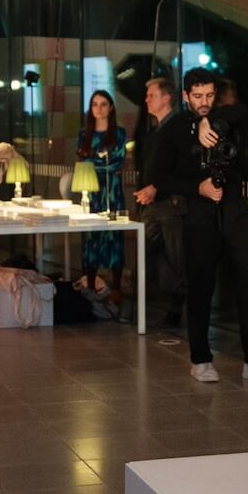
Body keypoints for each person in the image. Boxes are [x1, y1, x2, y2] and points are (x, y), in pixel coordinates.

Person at [151, 69, 248, 385]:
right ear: (185, 96)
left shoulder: (227, 117)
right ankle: (201, 360)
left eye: (210, 95)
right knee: (200, 287)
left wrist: (211, 122)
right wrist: (197, 188)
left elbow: (242, 109)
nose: (204, 102)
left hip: (235, 211)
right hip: (199, 214)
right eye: (197, 96)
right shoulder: (173, 131)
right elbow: (160, 177)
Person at [132, 77, 185, 329]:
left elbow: (177, 168)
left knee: (176, 256)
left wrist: (156, 188)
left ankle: (179, 307)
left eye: (151, 95)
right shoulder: (156, 128)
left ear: (166, 98)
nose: (146, 100)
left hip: (169, 203)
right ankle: (159, 303)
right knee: (148, 252)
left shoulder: (177, 127)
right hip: (153, 202)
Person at [75, 89, 128, 307]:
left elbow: (119, 162)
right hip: (91, 191)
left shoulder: (120, 134)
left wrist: (94, 162)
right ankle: (89, 286)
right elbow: (82, 163)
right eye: (95, 104)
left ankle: (116, 286)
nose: (99, 108)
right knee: (90, 236)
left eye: (103, 104)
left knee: (114, 237)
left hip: (113, 191)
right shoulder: (84, 135)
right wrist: (100, 164)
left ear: (111, 107)